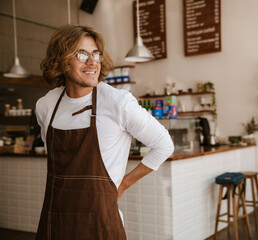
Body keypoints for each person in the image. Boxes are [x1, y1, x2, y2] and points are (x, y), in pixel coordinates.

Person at [35, 24, 174, 239]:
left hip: (101, 224)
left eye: (96, 54)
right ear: (61, 60)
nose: (92, 62)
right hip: (56, 222)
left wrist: (123, 184)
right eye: (81, 54)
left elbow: (164, 144)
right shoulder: (46, 106)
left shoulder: (118, 102)